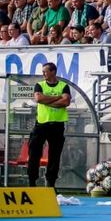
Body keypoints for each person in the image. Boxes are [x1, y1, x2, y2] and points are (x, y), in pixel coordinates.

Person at [28, 62, 69, 190]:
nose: (43, 74)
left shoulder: (64, 86)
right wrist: (57, 98)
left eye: (45, 71)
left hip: (57, 125)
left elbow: (66, 101)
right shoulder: (39, 85)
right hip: (41, 124)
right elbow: (39, 99)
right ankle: (32, 181)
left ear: (53, 72)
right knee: (34, 153)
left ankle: (51, 183)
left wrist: (48, 101)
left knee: (54, 156)